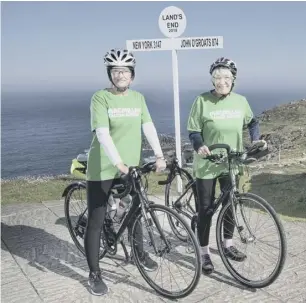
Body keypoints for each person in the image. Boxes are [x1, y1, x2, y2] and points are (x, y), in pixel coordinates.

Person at [84, 48, 167, 296]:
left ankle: (140, 254)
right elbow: (102, 134)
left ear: (132, 75)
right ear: (110, 74)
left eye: (125, 71)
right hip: (103, 167)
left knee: (135, 212)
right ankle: (94, 274)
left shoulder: (138, 98)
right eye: (116, 71)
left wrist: (160, 155)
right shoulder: (100, 98)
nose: (121, 75)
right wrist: (118, 163)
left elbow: (149, 127)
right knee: (96, 221)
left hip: (130, 167)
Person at [186, 57, 267, 274]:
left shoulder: (240, 101)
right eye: (218, 77)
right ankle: (203, 252)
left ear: (233, 80)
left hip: (231, 162)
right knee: (206, 209)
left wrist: (255, 139)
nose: (222, 81)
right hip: (207, 163)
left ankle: (227, 244)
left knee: (230, 204)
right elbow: (193, 130)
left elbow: (252, 122)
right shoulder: (201, 101)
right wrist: (200, 145)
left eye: (227, 77)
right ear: (212, 80)